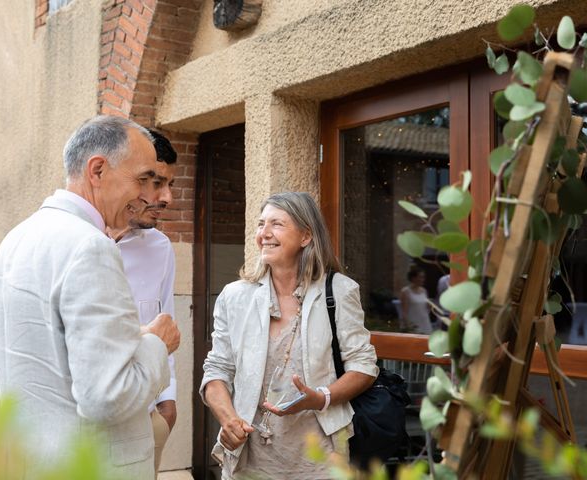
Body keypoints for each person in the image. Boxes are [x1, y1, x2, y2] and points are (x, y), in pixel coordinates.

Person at [0, 115, 180, 479]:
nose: (149, 196)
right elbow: (107, 397)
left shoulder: (15, 240)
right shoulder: (91, 248)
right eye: (143, 179)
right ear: (97, 170)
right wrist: (157, 345)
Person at [200, 192, 378, 480]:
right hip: (250, 456)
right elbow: (217, 369)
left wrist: (320, 398)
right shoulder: (235, 297)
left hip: (319, 456)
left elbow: (364, 367)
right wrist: (228, 419)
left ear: (306, 236)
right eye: (261, 224)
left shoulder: (338, 291)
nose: (264, 234)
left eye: (277, 224)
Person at [109, 130, 179, 478]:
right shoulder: (74, 242)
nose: (165, 197)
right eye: (156, 183)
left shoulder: (160, 248)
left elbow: (166, 324)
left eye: (169, 184)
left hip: (147, 419)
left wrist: (168, 403)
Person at [399, 266, 432, 334]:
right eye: (420, 277)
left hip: (425, 323)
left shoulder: (424, 291)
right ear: (413, 278)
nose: (422, 279)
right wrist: (408, 327)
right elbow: (404, 312)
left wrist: (430, 306)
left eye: (423, 277)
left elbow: (427, 308)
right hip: (413, 325)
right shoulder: (405, 291)